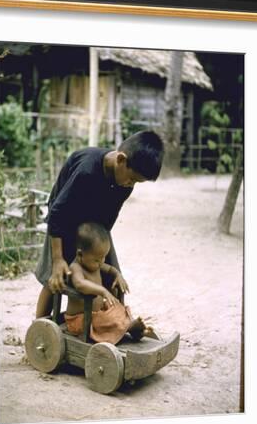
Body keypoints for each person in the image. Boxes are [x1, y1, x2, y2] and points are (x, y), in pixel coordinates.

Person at [34, 130, 164, 319]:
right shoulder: (86, 171)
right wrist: (58, 259)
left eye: (136, 182)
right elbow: (57, 212)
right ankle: (39, 329)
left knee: (113, 276)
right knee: (54, 279)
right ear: (120, 159)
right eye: (132, 178)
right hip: (62, 220)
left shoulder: (124, 185)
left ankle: (118, 322)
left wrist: (102, 255)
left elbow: (107, 222)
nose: (131, 184)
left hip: (94, 225)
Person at [64, 222, 149, 344]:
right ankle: (127, 328)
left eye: (103, 257)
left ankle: (127, 325)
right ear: (80, 254)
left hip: (96, 314)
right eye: (97, 260)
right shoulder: (75, 267)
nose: (101, 262)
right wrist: (102, 291)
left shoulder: (95, 263)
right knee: (105, 319)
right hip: (80, 320)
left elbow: (110, 269)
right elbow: (80, 284)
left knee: (116, 308)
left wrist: (118, 275)